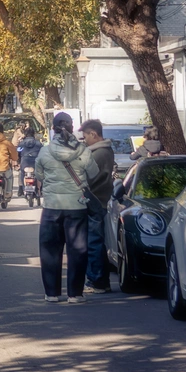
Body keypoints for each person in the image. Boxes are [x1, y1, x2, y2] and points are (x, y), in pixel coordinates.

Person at [35, 112, 99, 304]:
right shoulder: (83, 151)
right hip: (77, 206)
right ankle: (75, 294)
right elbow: (94, 173)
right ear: (72, 128)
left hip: (51, 206)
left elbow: (39, 175)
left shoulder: (45, 151)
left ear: (52, 129)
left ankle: (52, 293)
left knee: (50, 250)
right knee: (77, 250)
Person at [78, 119, 115, 294]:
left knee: (93, 242)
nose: (84, 140)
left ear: (93, 134)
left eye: (85, 136)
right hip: (99, 200)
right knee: (95, 242)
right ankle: (100, 280)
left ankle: (96, 281)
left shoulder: (98, 153)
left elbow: (86, 178)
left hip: (94, 200)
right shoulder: (104, 151)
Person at [16, 125, 42, 197]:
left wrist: (18, 161)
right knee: (39, 175)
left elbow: (17, 153)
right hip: (36, 163)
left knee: (22, 174)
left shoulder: (21, 144)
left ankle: (23, 189)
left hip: (24, 162)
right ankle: (39, 189)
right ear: (34, 134)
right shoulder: (38, 144)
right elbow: (42, 154)